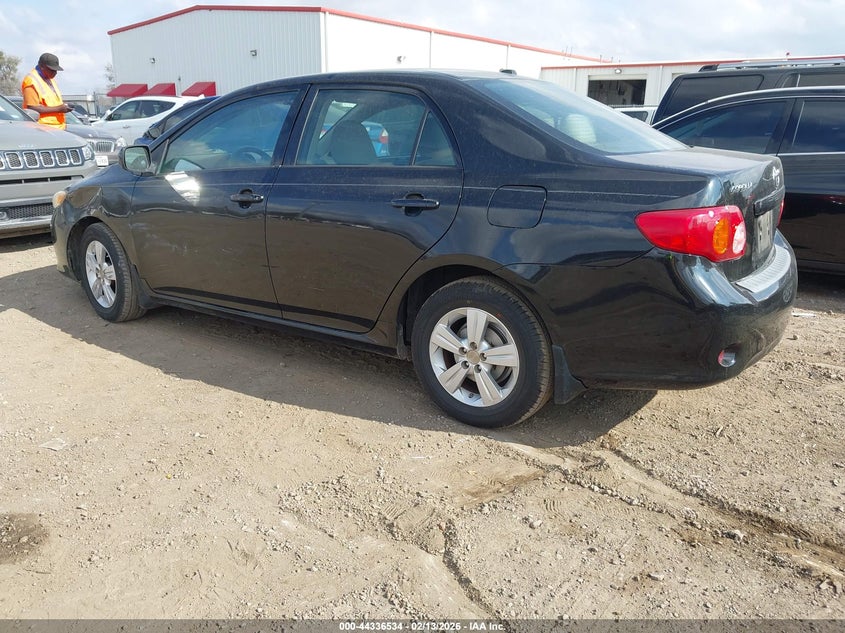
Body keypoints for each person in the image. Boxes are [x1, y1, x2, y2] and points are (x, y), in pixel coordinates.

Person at [21, 53, 74, 130]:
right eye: (52, 70)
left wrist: (65, 107)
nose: (55, 73)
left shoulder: (50, 78)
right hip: (41, 129)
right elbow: (31, 108)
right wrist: (59, 109)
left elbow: (52, 103)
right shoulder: (31, 81)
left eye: (56, 70)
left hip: (58, 128)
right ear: (42, 66)